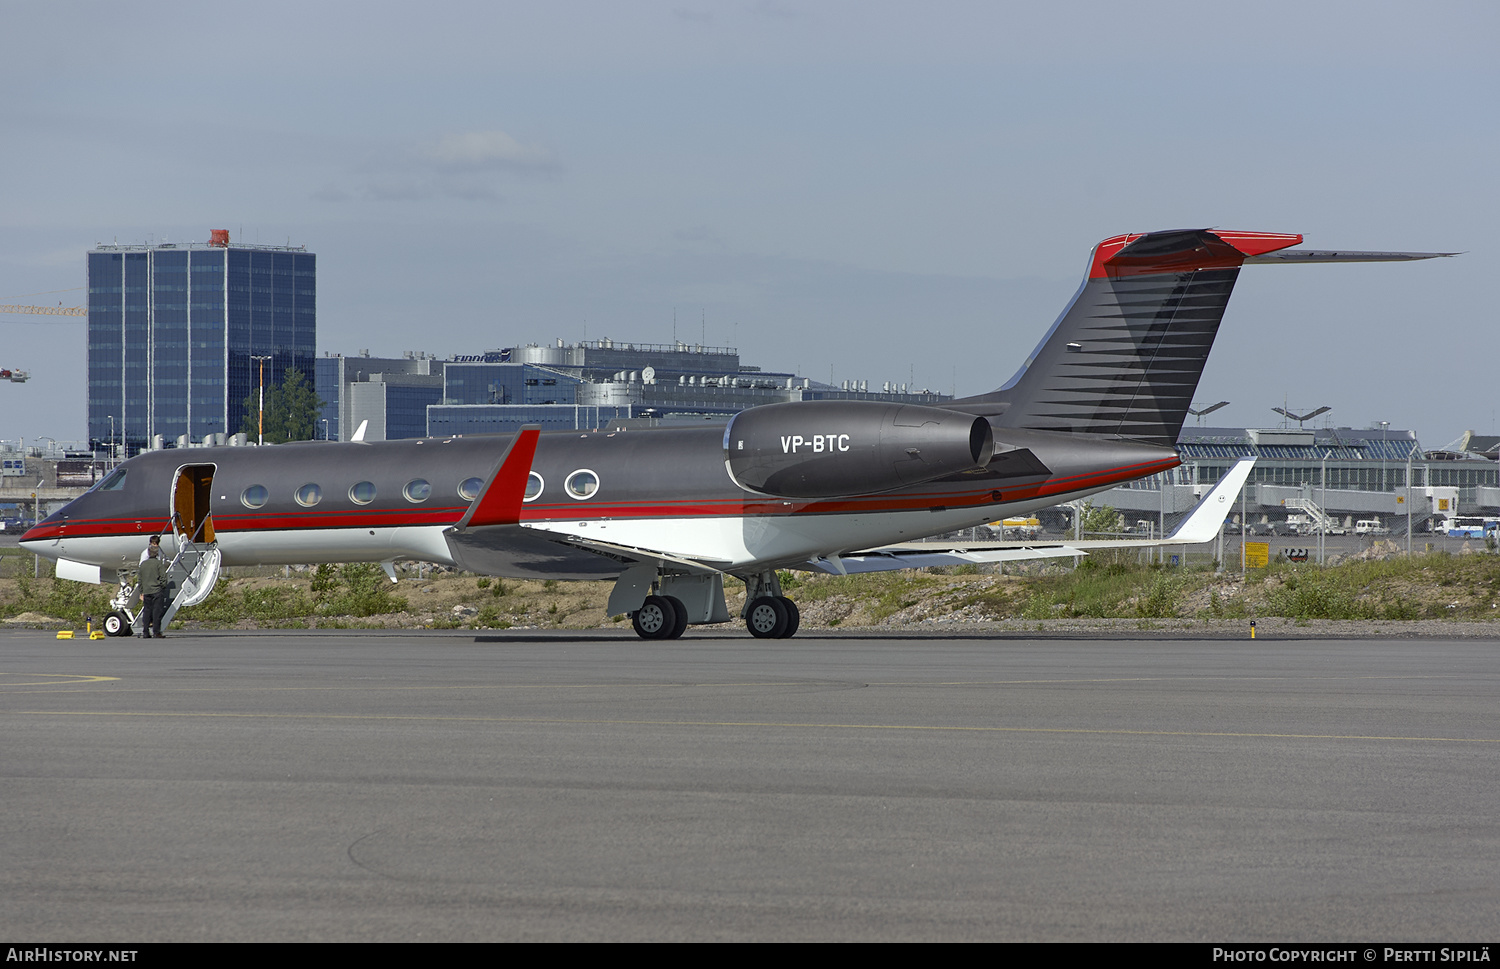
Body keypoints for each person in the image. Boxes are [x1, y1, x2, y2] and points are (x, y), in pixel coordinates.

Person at [137, 544, 168, 639]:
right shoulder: (159, 564)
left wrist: (141, 590)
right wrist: (162, 586)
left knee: (147, 611)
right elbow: (163, 577)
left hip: (147, 591)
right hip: (156, 590)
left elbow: (140, 579)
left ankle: (145, 632)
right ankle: (156, 632)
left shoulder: (143, 564)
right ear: (156, 554)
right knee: (156, 612)